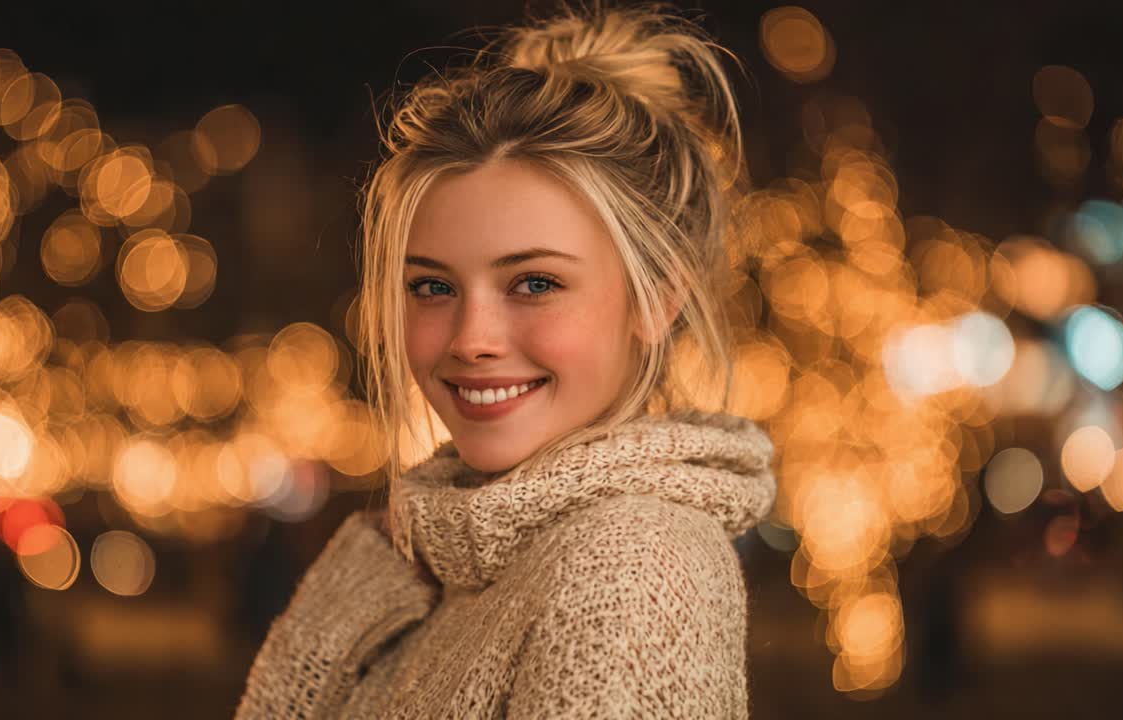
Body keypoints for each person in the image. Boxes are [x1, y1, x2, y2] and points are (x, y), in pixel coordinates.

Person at [235, 2, 777, 717]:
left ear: (658, 298)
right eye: (433, 286)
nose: (470, 338)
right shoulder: (418, 565)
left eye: (535, 284)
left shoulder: (630, 566)